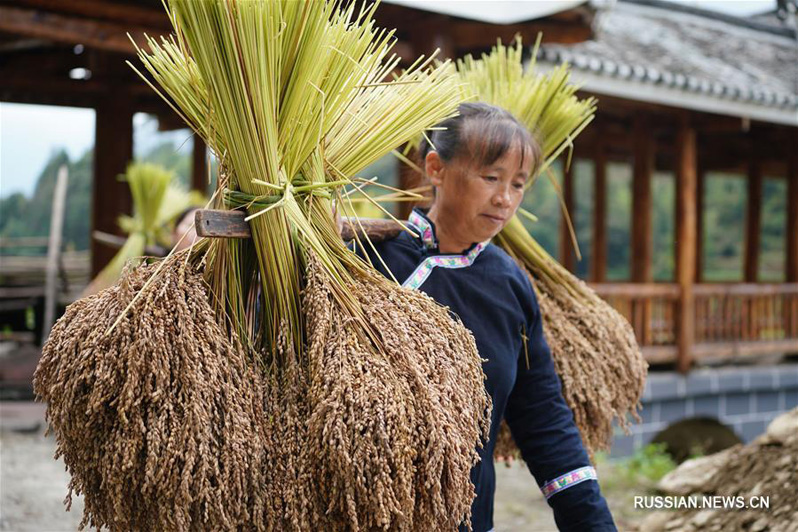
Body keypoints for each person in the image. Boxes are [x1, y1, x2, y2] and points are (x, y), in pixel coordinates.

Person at [356, 102, 617, 532]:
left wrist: (593, 524)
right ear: (436, 168)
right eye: (491, 178)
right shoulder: (366, 265)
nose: (505, 199)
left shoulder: (510, 285)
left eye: (518, 184)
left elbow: (543, 417)